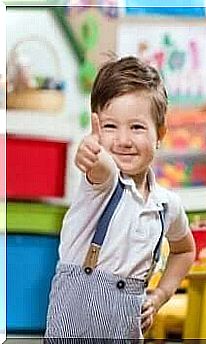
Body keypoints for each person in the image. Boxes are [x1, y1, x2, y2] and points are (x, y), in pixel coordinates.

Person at [44, 56, 196, 340]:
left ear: (159, 134)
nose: (123, 140)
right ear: (97, 130)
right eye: (110, 127)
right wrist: (90, 152)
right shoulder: (104, 183)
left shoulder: (166, 206)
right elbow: (100, 167)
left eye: (136, 127)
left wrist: (161, 294)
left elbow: (185, 250)